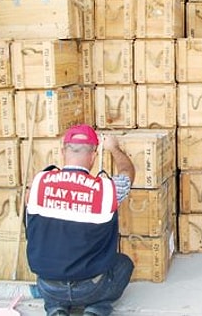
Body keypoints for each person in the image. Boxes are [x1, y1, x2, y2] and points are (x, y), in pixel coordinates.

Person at [26, 124, 135, 316]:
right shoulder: (106, 190)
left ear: (63, 152)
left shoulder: (39, 183)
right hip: (90, 287)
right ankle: (96, 309)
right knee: (124, 265)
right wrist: (114, 148)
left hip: (49, 285)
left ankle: (56, 308)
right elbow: (128, 173)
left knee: (52, 267)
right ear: (93, 156)